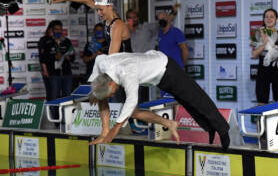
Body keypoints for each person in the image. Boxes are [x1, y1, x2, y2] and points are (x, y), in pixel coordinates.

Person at [87, 50, 230, 149]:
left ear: (111, 83)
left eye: (110, 94)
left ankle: (223, 129)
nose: (112, 96)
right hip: (158, 77)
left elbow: (131, 101)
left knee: (196, 98)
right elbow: (98, 64)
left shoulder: (126, 73)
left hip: (167, 70)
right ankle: (210, 128)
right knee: (187, 103)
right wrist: (93, 92)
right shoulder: (102, 64)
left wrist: (115, 128)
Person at [50, 0, 132, 54]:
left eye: (101, 10)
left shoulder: (117, 25)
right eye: (97, 9)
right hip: (119, 65)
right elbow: (85, 0)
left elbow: (112, 56)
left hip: (125, 68)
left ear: (110, 7)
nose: (99, 13)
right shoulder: (107, 15)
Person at [251, 8, 278, 105]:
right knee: (261, 103)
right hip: (263, 71)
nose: (269, 19)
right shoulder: (257, 33)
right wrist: (263, 44)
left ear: (277, 19)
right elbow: (254, 54)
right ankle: (262, 120)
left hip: (277, 71)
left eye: (272, 17)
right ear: (263, 19)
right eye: (266, 17)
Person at [38, 20, 74, 103]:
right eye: (56, 29)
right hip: (53, 74)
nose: (58, 31)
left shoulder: (66, 41)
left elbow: (73, 57)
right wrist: (54, 58)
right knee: (54, 97)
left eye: (60, 29)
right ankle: (54, 116)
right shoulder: (47, 41)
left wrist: (69, 57)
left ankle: (66, 115)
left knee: (67, 97)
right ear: (52, 30)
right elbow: (43, 58)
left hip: (66, 73)